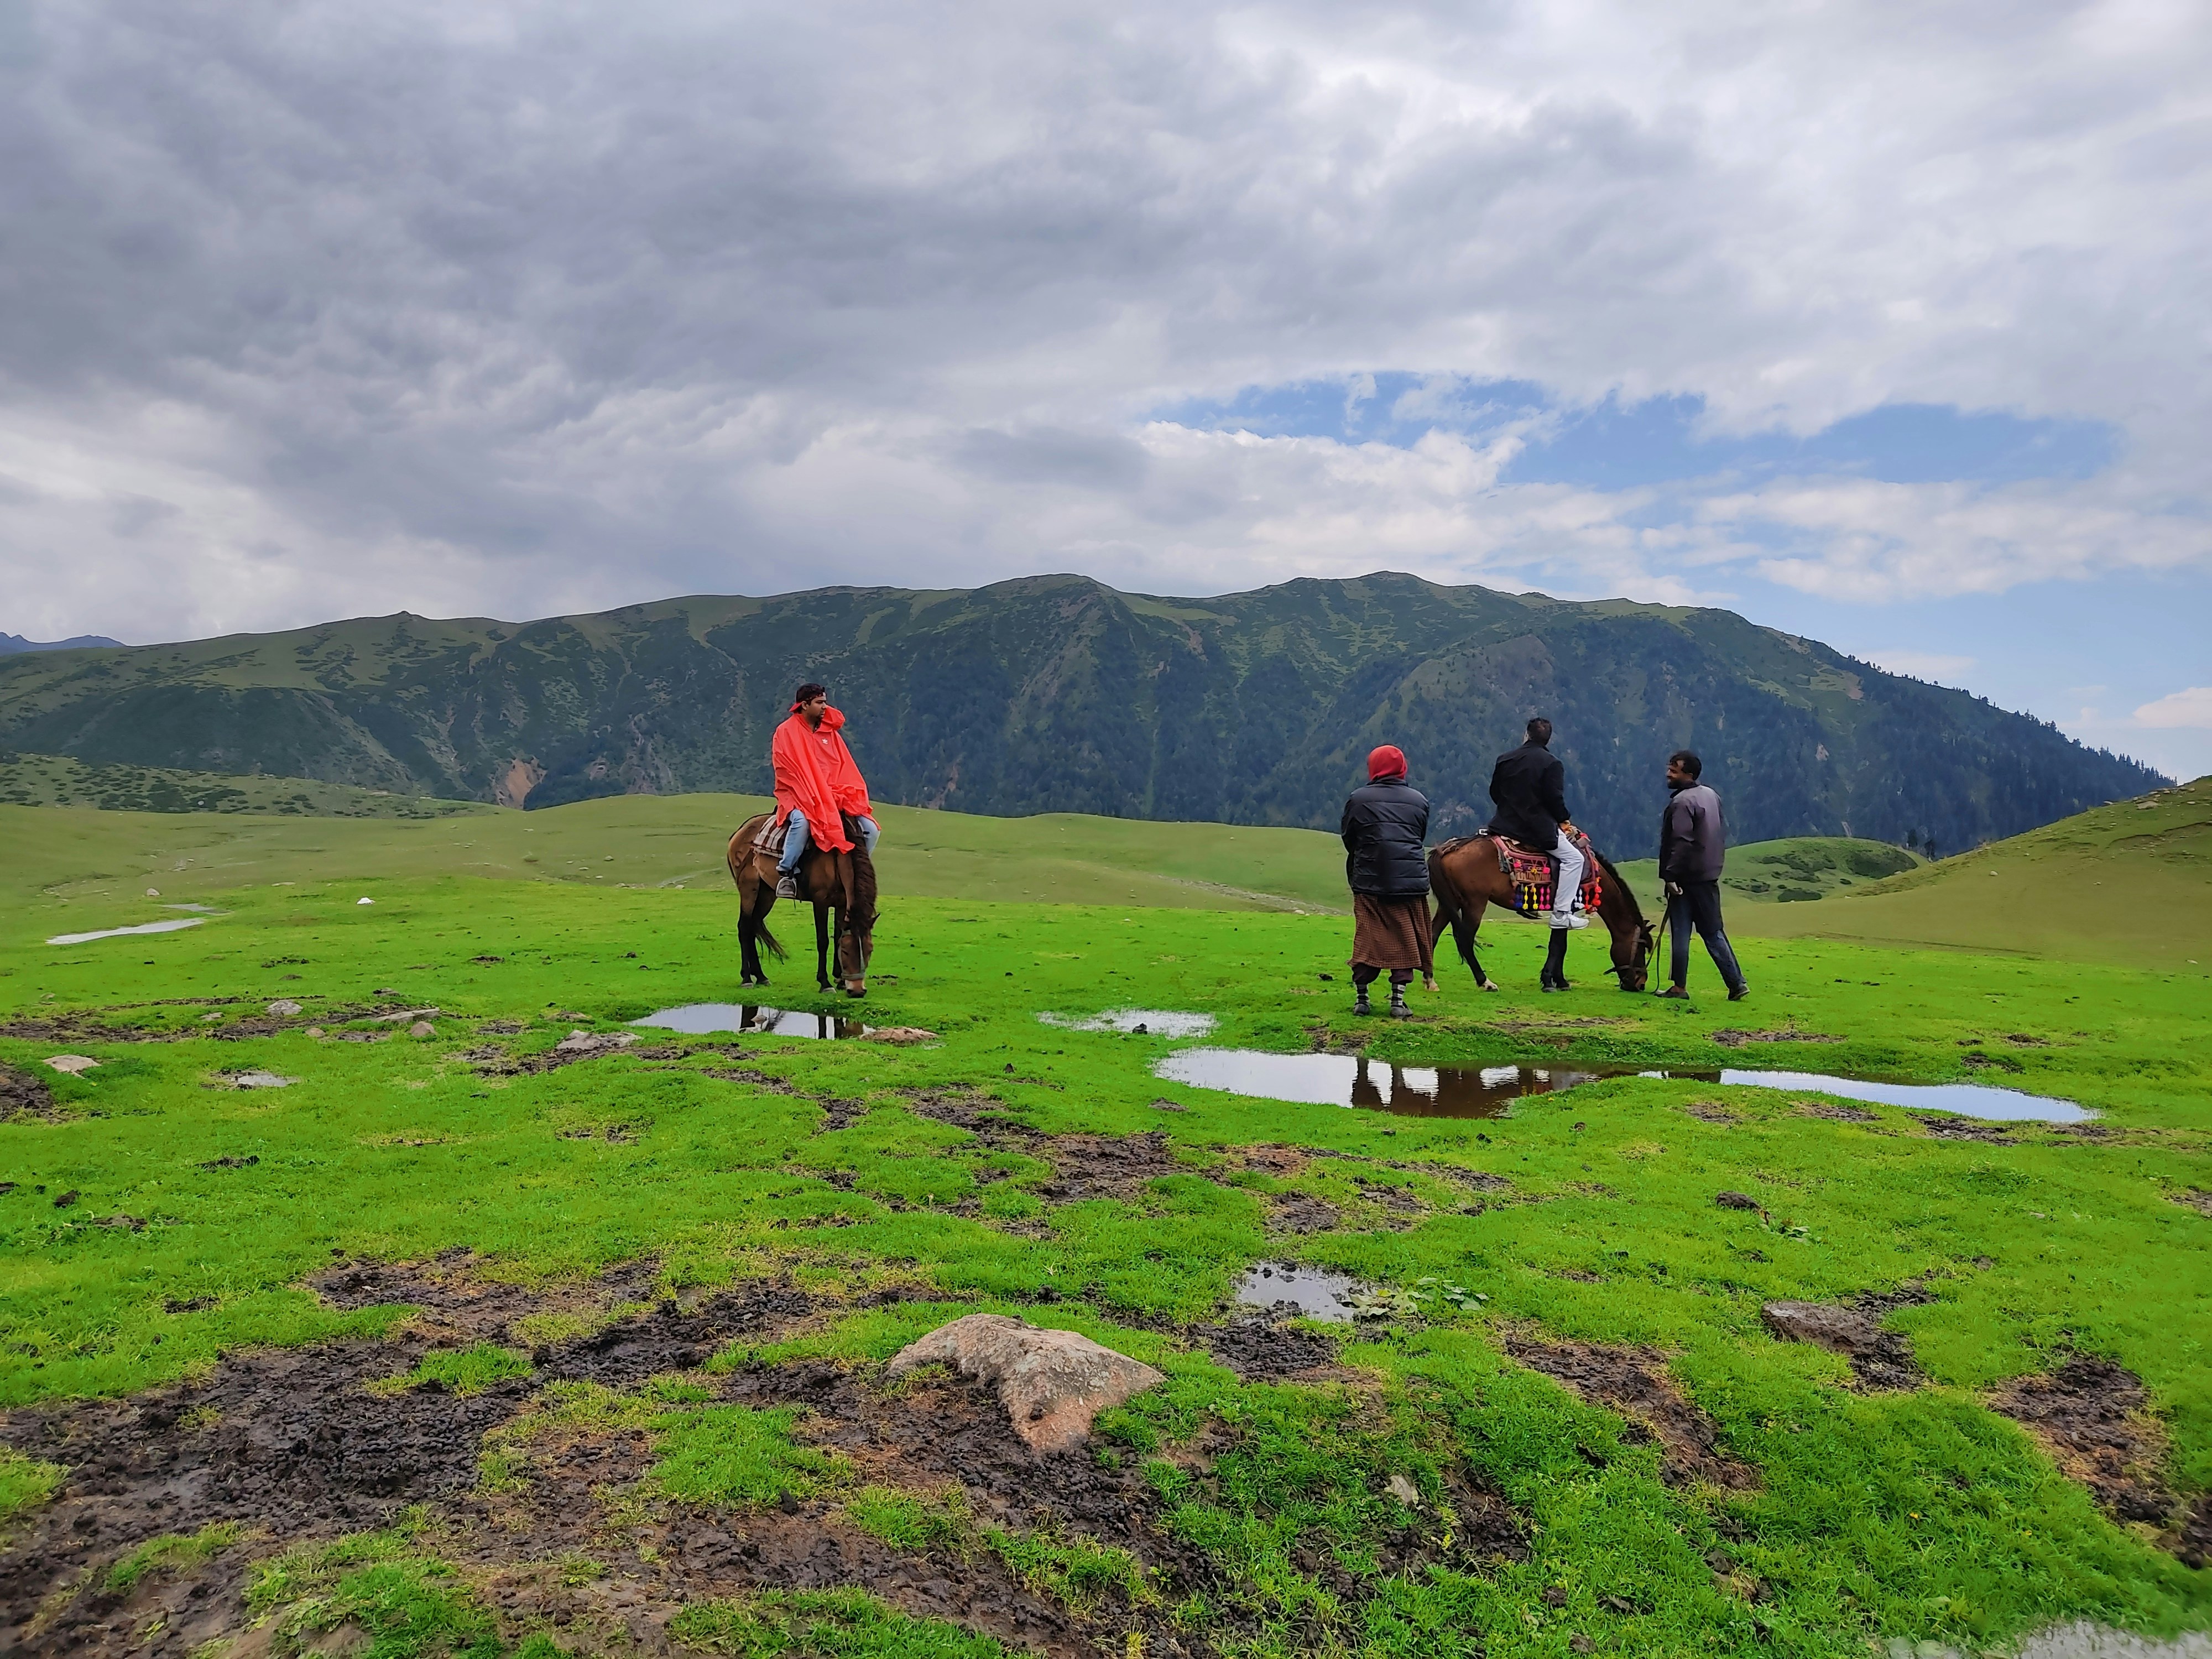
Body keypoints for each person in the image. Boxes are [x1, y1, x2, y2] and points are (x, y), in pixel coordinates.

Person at [1339, 744, 1434, 1019]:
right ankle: (1397, 1002)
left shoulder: (1358, 799)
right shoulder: (1419, 800)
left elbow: (1349, 838)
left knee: (1368, 939)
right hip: (1410, 883)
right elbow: (1419, 836)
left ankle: (1362, 1000)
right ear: (1402, 768)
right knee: (1405, 940)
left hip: (1370, 881)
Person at [771, 682, 879, 900]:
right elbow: (787, 771)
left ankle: (854, 872)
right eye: (820, 702)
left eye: (825, 702)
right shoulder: (785, 732)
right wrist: (816, 793)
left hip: (833, 796)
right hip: (798, 795)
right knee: (802, 823)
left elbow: (843, 766)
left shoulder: (830, 733)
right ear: (804, 705)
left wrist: (840, 793)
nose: (825, 707)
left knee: (871, 829)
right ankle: (787, 872)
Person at [1656, 749, 1747, 1001]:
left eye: (1674, 771)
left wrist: (1670, 876)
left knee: (1682, 933)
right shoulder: (1711, 795)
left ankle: (1679, 987)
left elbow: (1681, 842)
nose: (1668, 774)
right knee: (1713, 931)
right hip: (1708, 876)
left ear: (1689, 774)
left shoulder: (1682, 803)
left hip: (1686, 879)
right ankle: (1736, 983)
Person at [1486, 717, 1585, 931]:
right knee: (1575, 859)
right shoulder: (1552, 764)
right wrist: (1563, 819)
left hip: (1503, 824)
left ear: (1526, 735)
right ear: (1548, 740)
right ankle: (1561, 913)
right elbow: (1554, 800)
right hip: (1536, 830)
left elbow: (1495, 792)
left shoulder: (1505, 759)